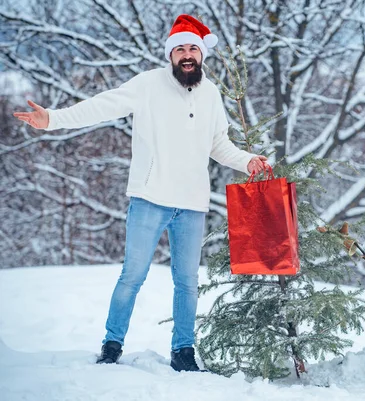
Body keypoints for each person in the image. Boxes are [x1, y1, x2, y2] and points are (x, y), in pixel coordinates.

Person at [13, 14, 270, 372]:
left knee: (187, 283)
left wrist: (247, 161)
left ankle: (183, 351)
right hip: (150, 199)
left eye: (192, 48)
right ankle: (112, 343)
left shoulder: (211, 94)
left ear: (201, 55)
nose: (186, 54)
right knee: (132, 276)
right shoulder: (147, 85)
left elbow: (218, 144)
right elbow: (102, 105)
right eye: (179, 48)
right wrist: (53, 119)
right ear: (170, 54)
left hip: (192, 205)